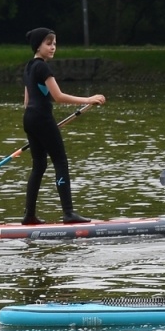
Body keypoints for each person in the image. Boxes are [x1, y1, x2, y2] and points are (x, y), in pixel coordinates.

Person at [21, 27, 106, 225]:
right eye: (48, 44)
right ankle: (68, 213)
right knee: (60, 161)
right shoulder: (42, 67)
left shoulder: (28, 67)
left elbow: (27, 101)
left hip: (29, 119)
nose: (53, 48)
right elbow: (58, 97)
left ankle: (29, 215)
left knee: (39, 165)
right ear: (38, 46)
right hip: (42, 118)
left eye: (54, 44)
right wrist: (89, 99)